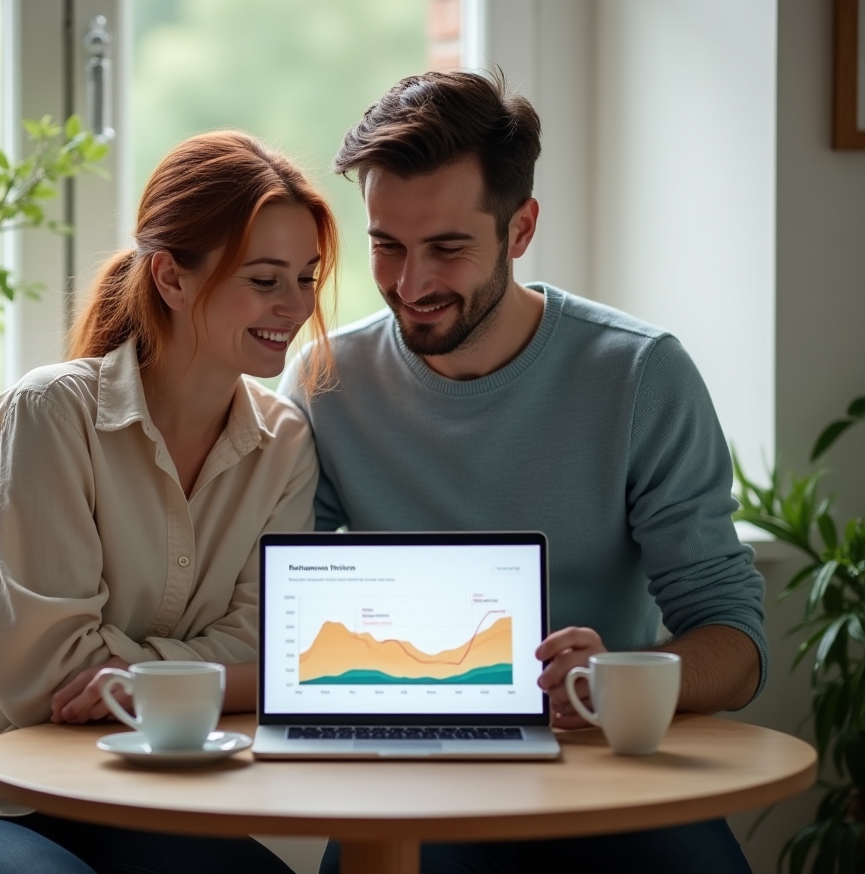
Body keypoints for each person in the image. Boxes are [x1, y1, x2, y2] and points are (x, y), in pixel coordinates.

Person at [279, 71, 766, 874]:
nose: (410, 284)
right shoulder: (328, 382)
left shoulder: (640, 374)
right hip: (414, 781)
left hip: (610, 776)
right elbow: (270, 607)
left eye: (448, 248)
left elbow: (735, 643)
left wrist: (618, 679)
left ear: (521, 228)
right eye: (386, 245)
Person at [0, 131, 339, 874]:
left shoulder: (284, 444)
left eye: (306, 278)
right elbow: (47, 679)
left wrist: (130, 677)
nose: (295, 306)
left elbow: (269, 650)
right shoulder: (49, 414)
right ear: (171, 278)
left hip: (142, 795)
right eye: (265, 278)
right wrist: (198, 676)